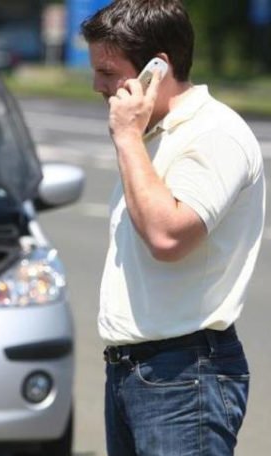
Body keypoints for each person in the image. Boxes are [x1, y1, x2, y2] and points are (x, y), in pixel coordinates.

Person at [81, 1, 266, 455]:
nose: (96, 86)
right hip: (136, 372)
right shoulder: (154, 134)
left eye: (108, 72)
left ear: (156, 69)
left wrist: (126, 138)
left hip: (185, 377)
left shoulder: (214, 134)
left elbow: (168, 237)